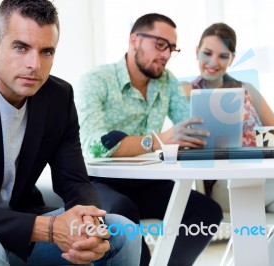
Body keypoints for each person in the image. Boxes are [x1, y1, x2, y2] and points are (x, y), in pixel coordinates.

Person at [0, 1, 141, 265]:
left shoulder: (58, 98)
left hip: (21, 227)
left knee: (124, 233)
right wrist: (49, 229)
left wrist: (89, 222)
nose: (35, 65)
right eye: (21, 47)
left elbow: (74, 181)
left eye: (46, 52)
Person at [75, 13, 223, 266]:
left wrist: (212, 128)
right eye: (160, 44)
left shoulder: (166, 81)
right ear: (134, 40)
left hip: (148, 181)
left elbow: (189, 124)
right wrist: (157, 141)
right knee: (122, 211)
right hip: (100, 181)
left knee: (207, 212)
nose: (166, 54)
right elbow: (94, 144)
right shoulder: (97, 80)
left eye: (171, 48)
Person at [183, 22, 274, 266]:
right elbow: (182, 143)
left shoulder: (247, 90)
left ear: (232, 58)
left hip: (264, 179)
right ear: (197, 51)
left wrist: (252, 138)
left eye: (223, 55)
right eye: (207, 53)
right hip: (223, 184)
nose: (213, 61)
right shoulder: (185, 92)